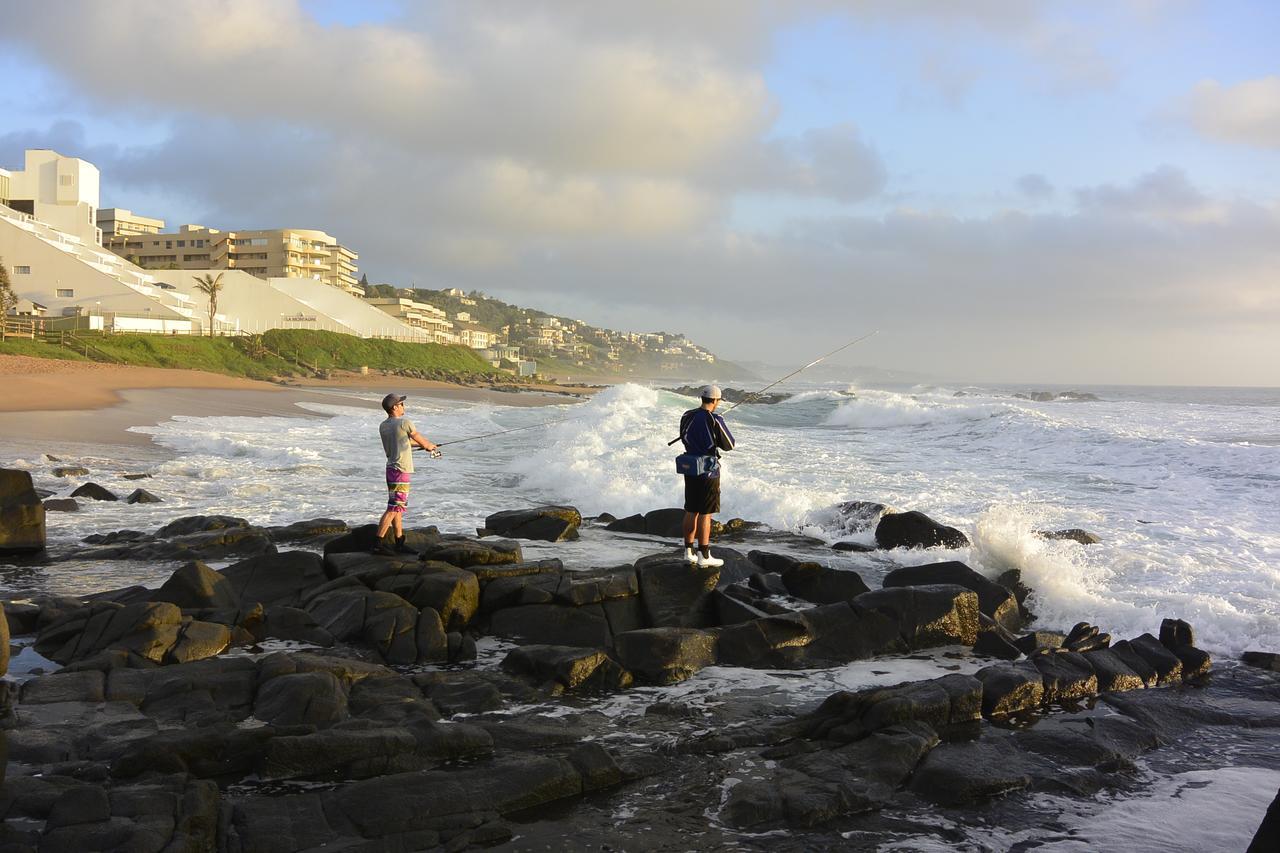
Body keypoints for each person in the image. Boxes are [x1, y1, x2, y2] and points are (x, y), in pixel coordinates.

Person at [373, 393, 440, 556]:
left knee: (397, 507)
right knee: (393, 508)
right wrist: (429, 446)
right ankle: (377, 544)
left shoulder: (384, 425)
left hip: (391, 469)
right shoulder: (405, 423)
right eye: (401, 404)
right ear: (394, 407)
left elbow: (404, 442)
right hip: (401, 470)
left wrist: (424, 446)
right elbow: (419, 439)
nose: (403, 406)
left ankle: (399, 542)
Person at [678, 384, 736, 567]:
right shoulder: (715, 418)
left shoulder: (687, 415)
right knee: (706, 513)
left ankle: (688, 551)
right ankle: (704, 554)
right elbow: (729, 445)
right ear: (716, 401)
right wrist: (717, 425)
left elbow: (684, 435)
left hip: (690, 467)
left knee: (691, 509)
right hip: (708, 471)